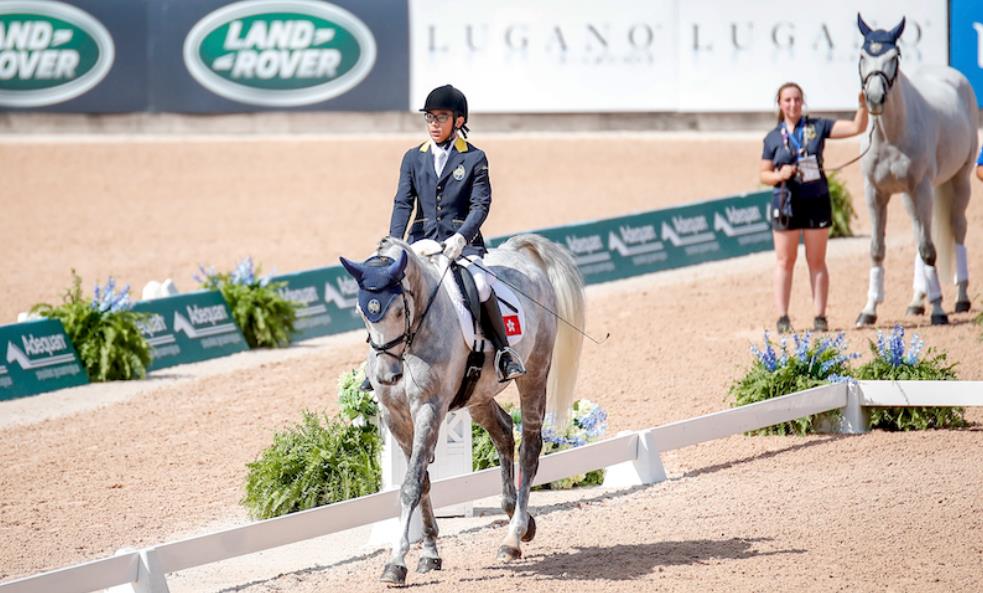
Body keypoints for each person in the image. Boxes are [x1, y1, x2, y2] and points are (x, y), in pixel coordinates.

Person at [363, 84, 525, 391]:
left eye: (441, 117)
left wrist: (462, 237)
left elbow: (480, 205)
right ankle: (373, 363)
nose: (434, 124)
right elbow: (402, 203)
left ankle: (504, 352)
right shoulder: (413, 157)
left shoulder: (475, 158)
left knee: (480, 284)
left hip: (460, 245)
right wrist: (394, 244)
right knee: (388, 290)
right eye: (430, 118)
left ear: (458, 121)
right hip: (420, 243)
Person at [760, 82, 868, 333]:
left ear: (803, 102)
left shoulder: (817, 127)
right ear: (780, 103)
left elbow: (856, 127)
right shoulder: (773, 137)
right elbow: (763, 174)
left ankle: (820, 316)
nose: (793, 104)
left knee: (816, 260)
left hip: (815, 199)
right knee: (785, 260)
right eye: (787, 100)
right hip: (785, 202)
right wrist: (779, 174)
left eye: (797, 99)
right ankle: (782, 317)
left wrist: (863, 106)